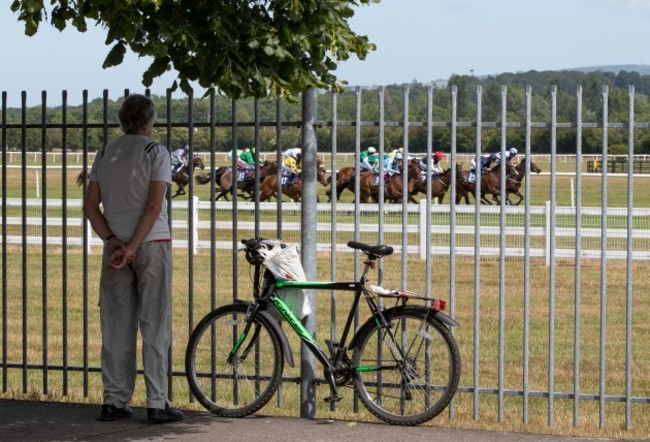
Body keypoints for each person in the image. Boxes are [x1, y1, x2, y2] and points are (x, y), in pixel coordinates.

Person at [83, 94, 183, 424]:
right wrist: (134, 247)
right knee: (154, 323)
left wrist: (115, 243)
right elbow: (154, 207)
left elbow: (90, 207)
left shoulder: (106, 152)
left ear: (122, 119)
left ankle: (113, 399)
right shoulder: (156, 152)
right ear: (150, 120)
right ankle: (157, 401)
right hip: (151, 243)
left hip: (115, 248)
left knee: (115, 325)